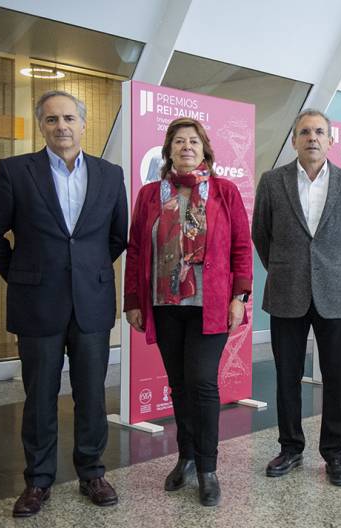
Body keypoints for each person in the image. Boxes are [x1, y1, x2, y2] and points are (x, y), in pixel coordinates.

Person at [0, 90, 127, 517]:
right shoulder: (14, 171)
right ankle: (38, 481)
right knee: (40, 395)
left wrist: (84, 271)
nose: (61, 126)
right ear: (41, 125)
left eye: (68, 119)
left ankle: (92, 473)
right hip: (36, 303)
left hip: (91, 304)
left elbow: (117, 237)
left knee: (92, 395)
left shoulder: (110, 175)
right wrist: (23, 275)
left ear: (83, 124)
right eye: (51, 119)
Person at [123, 117, 252, 506]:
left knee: (202, 382)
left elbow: (242, 249)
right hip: (165, 304)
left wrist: (238, 298)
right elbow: (135, 251)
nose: (186, 147)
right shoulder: (150, 195)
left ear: (204, 148)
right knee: (178, 384)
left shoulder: (224, 191)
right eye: (178, 142)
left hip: (209, 304)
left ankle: (209, 468)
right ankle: (187, 458)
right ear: (169, 150)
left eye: (193, 141)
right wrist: (132, 300)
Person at [252, 109, 341, 487]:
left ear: (331, 140)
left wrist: (332, 269)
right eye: (305, 132)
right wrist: (286, 268)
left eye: (320, 132)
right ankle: (290, 448)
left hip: (335, 292)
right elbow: (261, 235)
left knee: (337, 378)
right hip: (287, 290)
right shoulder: (272, 182)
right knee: (287, 375)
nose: (312, 138)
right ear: (294, 140)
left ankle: (335, 453)